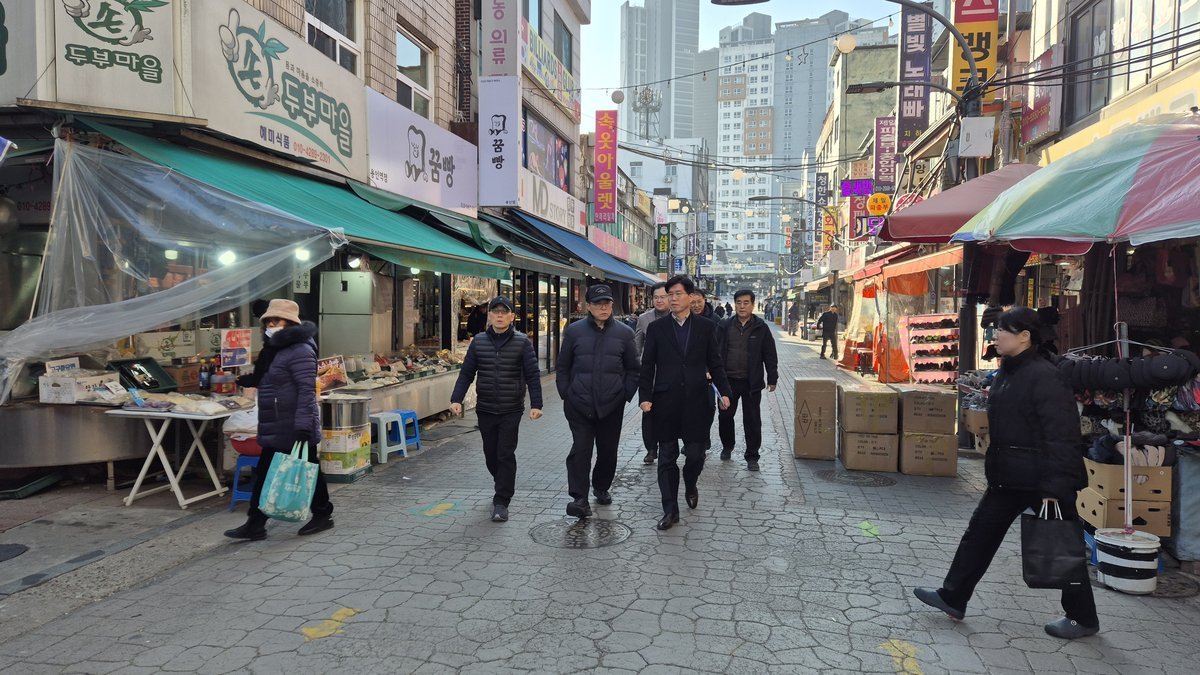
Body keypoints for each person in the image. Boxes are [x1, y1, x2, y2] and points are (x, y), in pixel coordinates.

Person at [914, 307, 1098, 640]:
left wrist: (1056, 486)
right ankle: (953, 597)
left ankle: (1082, 617)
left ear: (1025, 336)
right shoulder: (1007, 372)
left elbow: (1062, 434)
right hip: (1009, 476)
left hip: (1043, 479)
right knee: (979, 535)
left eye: (1003, 330)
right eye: (996, 329)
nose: (996, 336)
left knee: (1060, 545)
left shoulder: (1046, 376)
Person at [225, 299, 331, 541]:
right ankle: (256, 524)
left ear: (290, 323)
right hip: (276, 422)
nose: (272, 325)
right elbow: (274, 379)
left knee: (307, 470)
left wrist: (303, 426)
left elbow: (306, 391)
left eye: (277, 321)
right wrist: (253, 380)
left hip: (295, 424)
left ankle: (322, 514)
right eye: (269, 321)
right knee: (266, 472)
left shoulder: (301, 350)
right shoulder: (274, 349)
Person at [639, 276, 732, 531]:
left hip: (697, 400)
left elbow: (715, 362)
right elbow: (647, 366)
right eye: (670, 294)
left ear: (690, 297)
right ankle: (670, 510)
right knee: (667, 457)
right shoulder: (657, 329)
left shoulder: (705, 327)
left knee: (695, 455)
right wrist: (645, 397)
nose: (673, 299)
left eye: (678, 294)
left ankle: (691, 484)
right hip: (665, 400)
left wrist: (724, 392)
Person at [450, 296, 544, 523]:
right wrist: (456, 399)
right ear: (489, 316)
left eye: (504, 312)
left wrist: (537, 404)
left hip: (511, 408)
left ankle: (502, 500)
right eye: (495, 312)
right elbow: (467, 373)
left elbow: (532, 375)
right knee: (490, 454)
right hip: (485, 408)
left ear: (512, 316)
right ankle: (501, 479)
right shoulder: (478, 342)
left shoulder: (522, 342)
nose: (500, 316)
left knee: (505, 453)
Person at [556, 284, 640, 518]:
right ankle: (579, 498)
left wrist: (624, 395)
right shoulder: (574, 331)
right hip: (579, 403)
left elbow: (634, 369)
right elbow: (563, 366)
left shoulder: (624, 333)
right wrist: (566, 393)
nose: (603, 308)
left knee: (607, 451)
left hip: (612, 404)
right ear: (588, 306)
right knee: (581, 450)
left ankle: (601, 486)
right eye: (598, 304)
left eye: (607, 303)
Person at [716, 289, 779, 472]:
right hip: (727, 382)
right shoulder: (724, 325)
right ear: (734, 304)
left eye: (746, 303)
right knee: (725, 417)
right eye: (739, 303)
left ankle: (752, 456)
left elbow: (770, 354)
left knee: (752, 420)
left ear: (752, 305)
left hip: (751, 383)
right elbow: (714, 352)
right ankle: (728, 446)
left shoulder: (761, 327)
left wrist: (772, 377)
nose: (742, 306)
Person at [635, 283, 671, 464]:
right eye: (656, 297)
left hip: (671, 375)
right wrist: (639, 368)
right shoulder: (644, 318)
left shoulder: (677, 316)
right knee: (648, 411)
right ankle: (650, 448)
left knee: (668, 412)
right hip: (650, 374)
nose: (659, 300)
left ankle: (667, 446)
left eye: (663, 297)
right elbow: (637, 345)